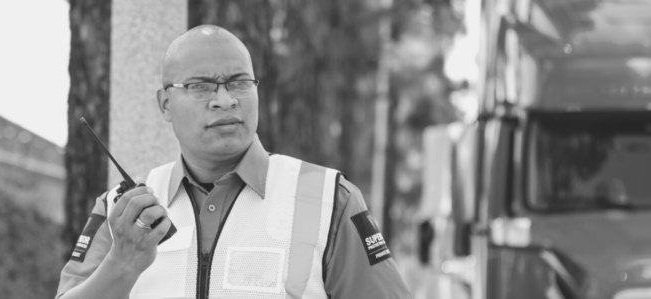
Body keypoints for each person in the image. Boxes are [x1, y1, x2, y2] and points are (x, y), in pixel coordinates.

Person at [55, 25, 412, 299]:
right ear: (165, 104)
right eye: (201, 86)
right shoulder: (121, 207)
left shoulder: (331, 199)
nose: (224, 100)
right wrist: (121, 265)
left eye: (239, 83)